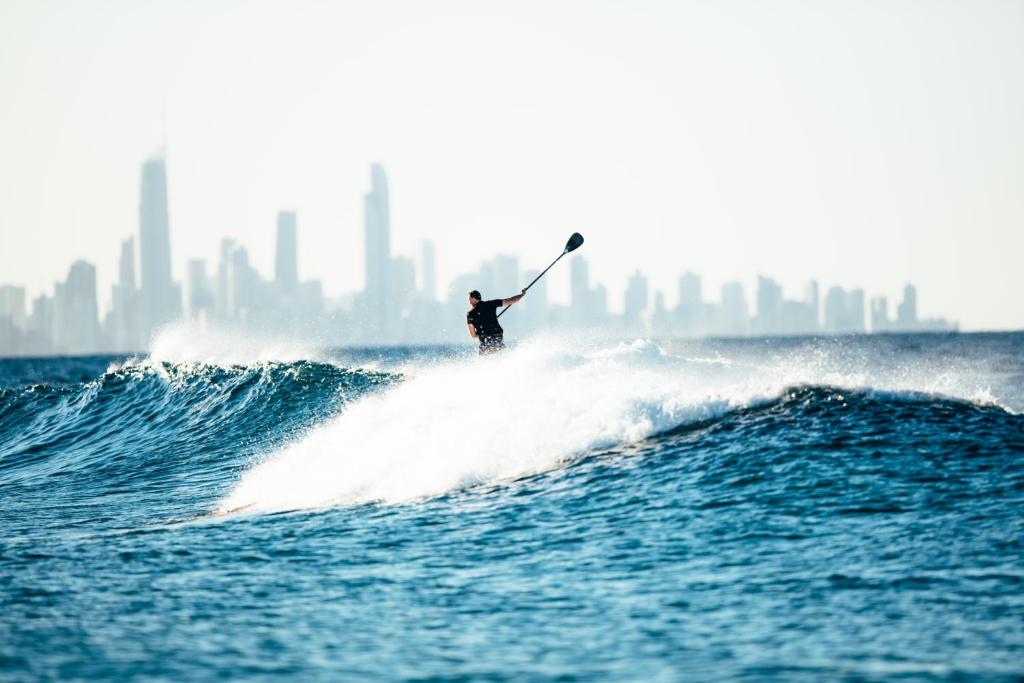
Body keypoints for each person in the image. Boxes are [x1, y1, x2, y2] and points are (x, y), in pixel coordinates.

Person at [466, 289, 524, 355]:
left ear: (474, 299)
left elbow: (473, 335)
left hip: (486, 342)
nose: (469, 302)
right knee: (497, 349)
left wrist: (479, 332)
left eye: (469, 299)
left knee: (482, 354)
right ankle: (501, 349)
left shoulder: (470, 314)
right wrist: (522, 294)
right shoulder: (491, 304)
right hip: (498, 339)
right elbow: (512, 300)